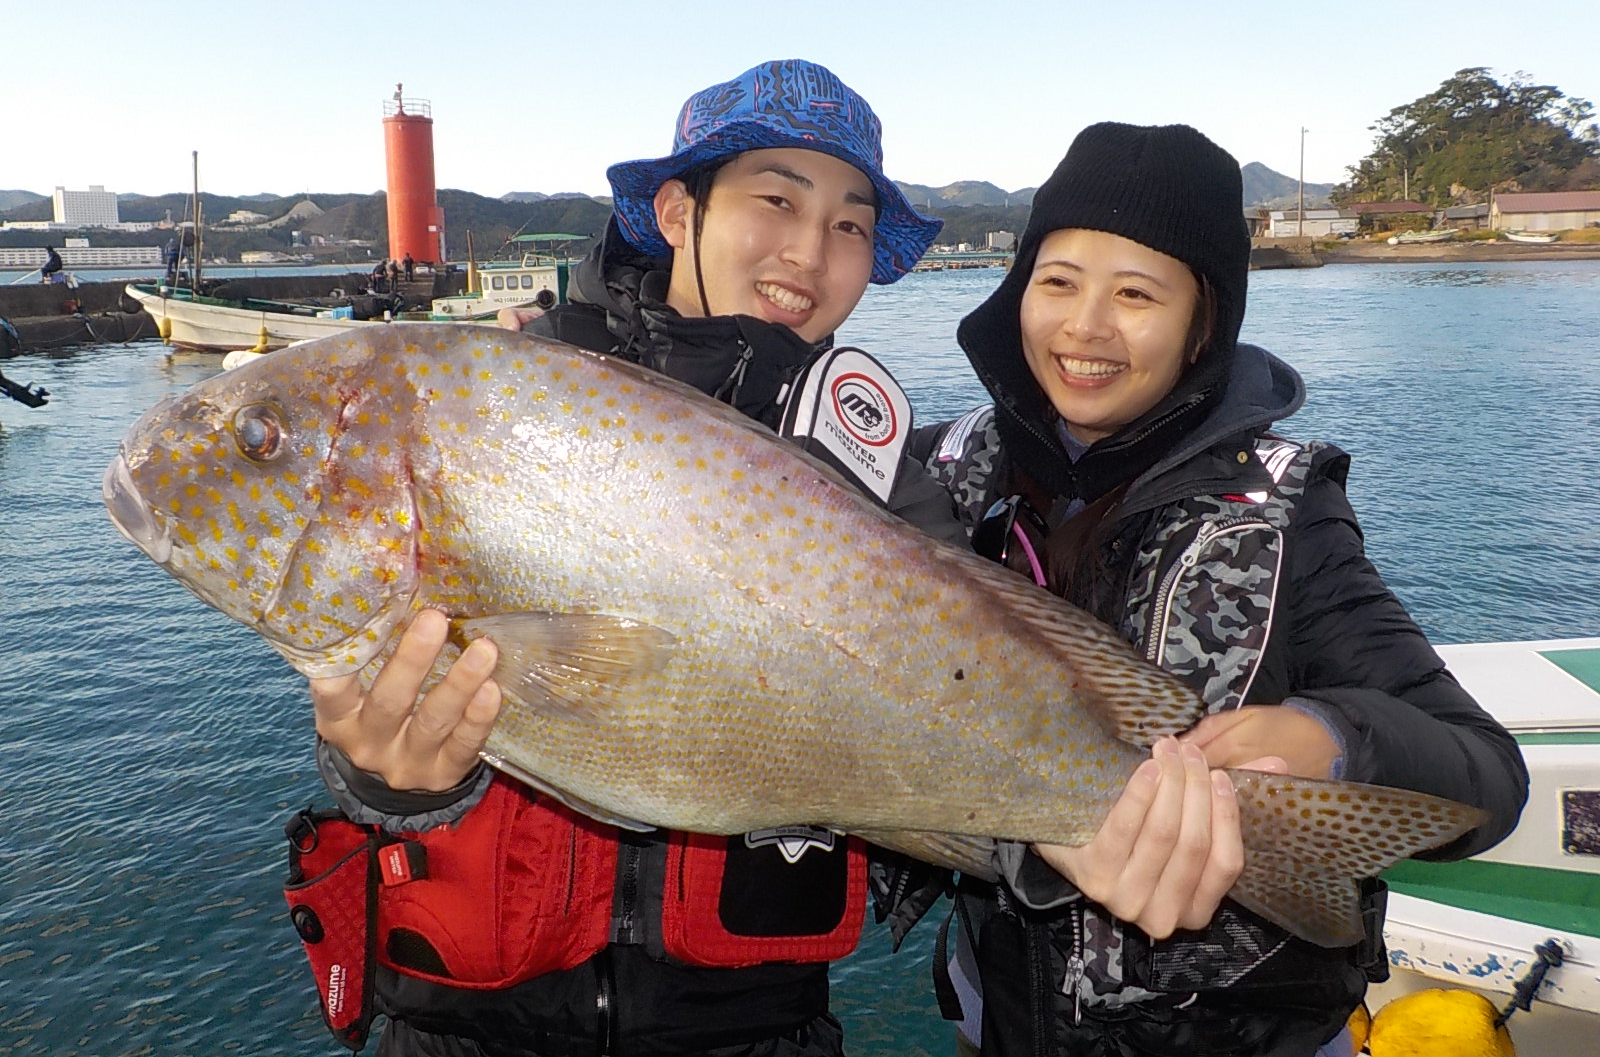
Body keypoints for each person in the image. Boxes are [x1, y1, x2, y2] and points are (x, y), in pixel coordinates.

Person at [294, 59, 959, 1057]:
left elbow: (960, 724)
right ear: (679, 210)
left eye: (850, 224)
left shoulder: (880, 478)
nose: (811, 252)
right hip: (462, 1031)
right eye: (775, 199)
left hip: (749, 1033)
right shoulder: (503, 391)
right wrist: (388, 780)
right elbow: (372, 657)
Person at [911, 122, 1528, 1057]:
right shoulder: (936, 477)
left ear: (1203, 323)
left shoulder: (1288, 514)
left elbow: (1485, 776)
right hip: (1003, 1019)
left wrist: (1331, 738)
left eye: (1137, 294)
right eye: (1058, 281)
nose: (1085, 328)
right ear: (1017, 292)